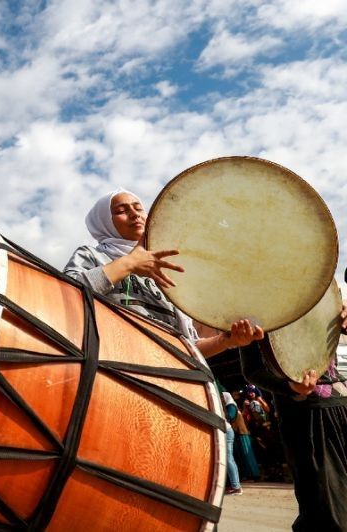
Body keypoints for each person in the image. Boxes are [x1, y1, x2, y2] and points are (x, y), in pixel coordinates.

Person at [63, 189, 263, 356]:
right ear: (104, 221)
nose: (135, 214)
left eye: (138, 208)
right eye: (121, 210)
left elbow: (187, 346)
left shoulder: (167, 266)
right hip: (116, 367)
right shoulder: (92, 255)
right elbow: (65, 292)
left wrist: (226, 340)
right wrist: (129, 263)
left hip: (172, 377)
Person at [239, 305, 347, 531]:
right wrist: (290, 387)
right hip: (307, 413)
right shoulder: (250, 301)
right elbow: (252, 370)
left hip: (342, 402)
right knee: (326, 512)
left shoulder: (322, 292)